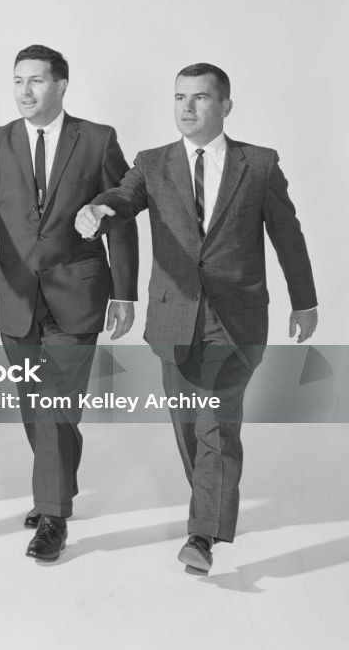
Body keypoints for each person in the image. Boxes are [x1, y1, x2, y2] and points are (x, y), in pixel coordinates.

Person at [75, 62, 318, 573]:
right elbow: (125, 195)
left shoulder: (260, 164)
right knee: (190, 426)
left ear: (225, 105)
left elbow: (288, 236)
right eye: (180, 98)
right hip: (174, 319)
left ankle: (201, 535)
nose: (187, 108)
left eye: (200, 98)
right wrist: (100, 209)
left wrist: (305, 300)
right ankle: (209, 506)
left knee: (216, 425)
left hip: (237, 320)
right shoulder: (153, 162)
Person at [0, 44, 138, 562]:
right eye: (18, 81)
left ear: (61, 85)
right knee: (35, 407)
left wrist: (125, 292)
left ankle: (52, 514)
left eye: (36, 81)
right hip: (17, 298)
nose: (25, 91)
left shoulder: (98, 140)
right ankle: (56, 485)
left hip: (79, 294)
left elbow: (122, 214)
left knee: (56, 405)